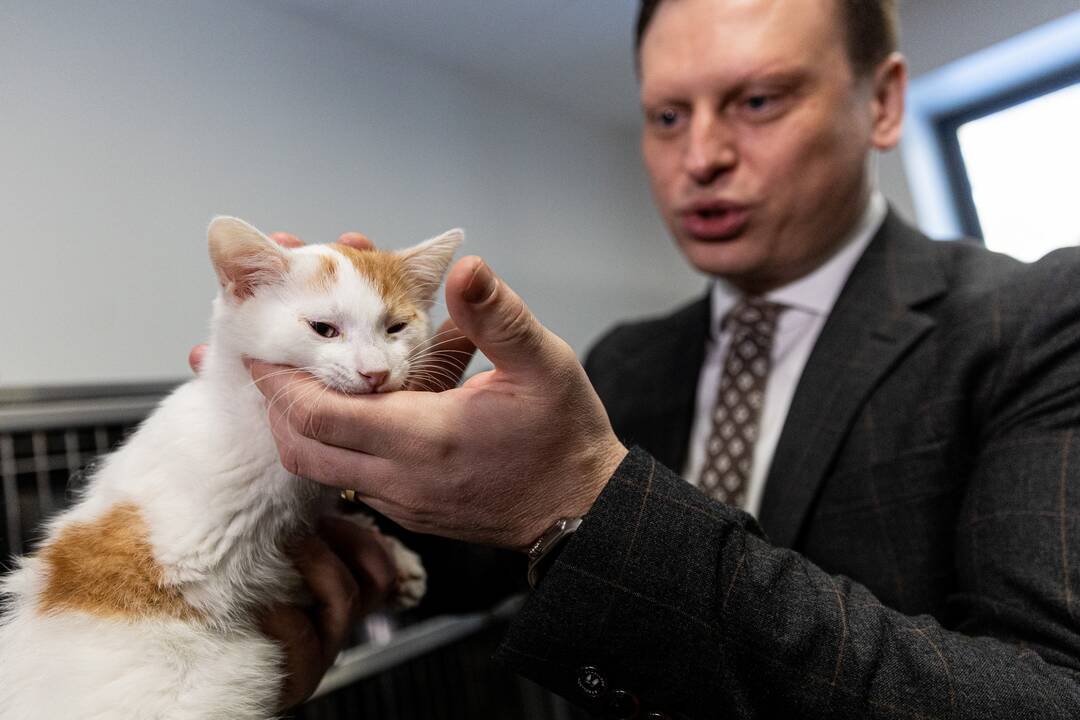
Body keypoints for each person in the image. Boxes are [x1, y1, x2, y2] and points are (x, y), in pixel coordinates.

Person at [242, 0, 1080, 716]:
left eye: (757, 100)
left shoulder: (1036, 323)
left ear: (886, 102)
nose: (701, 157)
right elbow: (482, 563)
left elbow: (1049, 696)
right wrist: (350, 473)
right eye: (667, 116)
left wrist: (588, 499)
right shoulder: (630, 361)